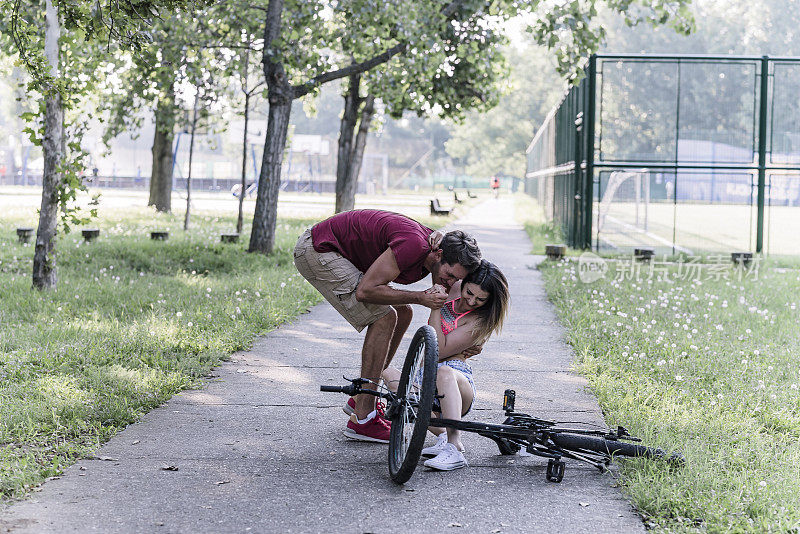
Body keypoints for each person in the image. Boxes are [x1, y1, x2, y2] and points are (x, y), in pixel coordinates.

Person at [294, 209, 482, 443]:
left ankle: (363, 398)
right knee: (385, 318)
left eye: (457, 279)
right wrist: (420, 296)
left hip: (337, 252)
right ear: (439, 254)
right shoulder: (415, 246)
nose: (450, 282)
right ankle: (363, 419)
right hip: (318, 250)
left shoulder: (438, 248)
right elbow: (366, 291)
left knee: (403, 313)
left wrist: (471, 340)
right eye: (449, 274)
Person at [382, 260, 510, 470]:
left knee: (443, 371)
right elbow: (448, 258)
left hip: (455, 381)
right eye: (469, 293)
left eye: (480, 299)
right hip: (425, 376)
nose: (471, 301)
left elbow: (439, 350)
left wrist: (435, 308)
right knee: (389, 374)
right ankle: (442, 435)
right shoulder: (456, 287)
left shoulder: (479, 321)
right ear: (464, 282)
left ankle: (455, 447)